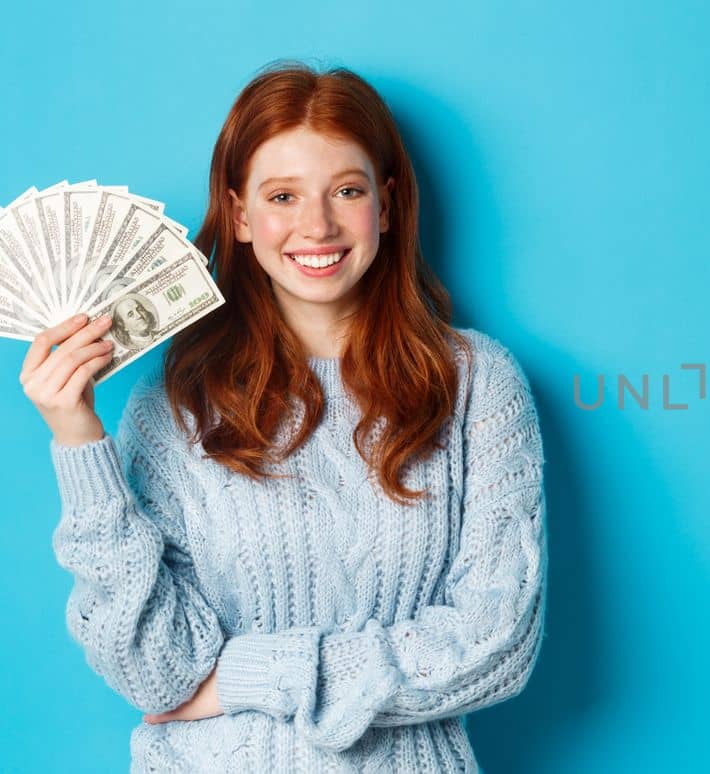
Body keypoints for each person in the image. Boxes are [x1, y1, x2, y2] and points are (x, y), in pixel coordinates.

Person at [18, 61, 547, 773]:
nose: (317, 226)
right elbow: (157, 676)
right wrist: (77, 436)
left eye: (347, 191)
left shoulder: (477, 385)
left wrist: (243, 677)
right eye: (283, 196)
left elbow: (495, 645)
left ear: (386, 207)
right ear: (240, 215)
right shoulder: (176, 403)